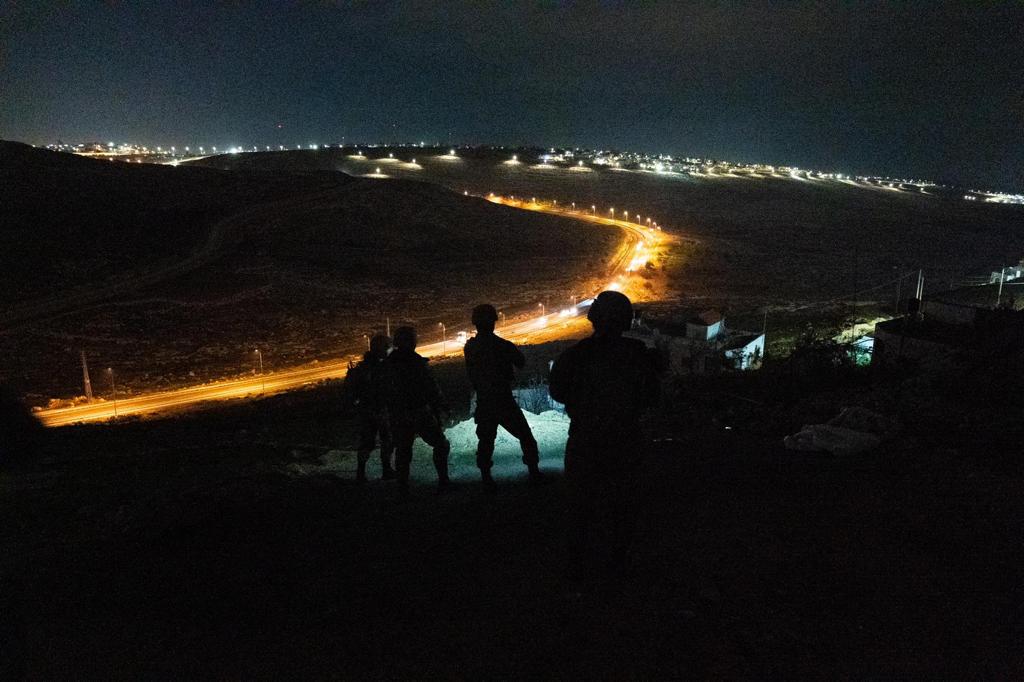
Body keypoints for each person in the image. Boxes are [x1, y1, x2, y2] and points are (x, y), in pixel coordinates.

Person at [548, 291, 660, 581]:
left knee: (580, 506)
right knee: (622, 507)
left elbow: (558, 393)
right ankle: (617, 565)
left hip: (586, 440)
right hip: (625, 440)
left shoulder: (575, 355)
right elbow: (651, 397)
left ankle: (576, 570)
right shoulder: (639, 356)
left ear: (595, 318)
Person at [464, 303, 542, 490]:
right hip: (503, 399)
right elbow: (520, 362)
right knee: (526, 437)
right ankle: (534, 473)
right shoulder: (501, 345)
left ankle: (486, 479)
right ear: (493, 322)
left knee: (486, 440)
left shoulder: (471, 347)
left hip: (484, 400)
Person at [385, 326, 451, 495]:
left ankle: (403, 489)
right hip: (419, 411)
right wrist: (442, 406)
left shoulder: (388, 365)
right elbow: (431, 388)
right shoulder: (416, 363)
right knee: (441, 444)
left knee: (403, 450)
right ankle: (444, 482)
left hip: (398, 414)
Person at [345, 333, 396, 482]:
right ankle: (385, 470)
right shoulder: (381, 367)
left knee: (367, 442)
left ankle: (361, 473)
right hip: (379, 409)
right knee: (387, 439)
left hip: (367, 410)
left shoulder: (363, 367)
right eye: (387, 347)